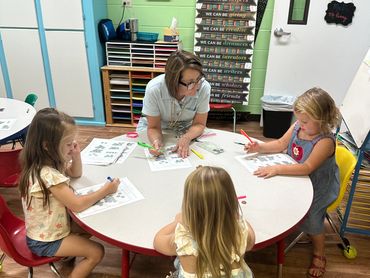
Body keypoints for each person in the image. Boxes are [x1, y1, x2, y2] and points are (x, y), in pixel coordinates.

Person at [245, 87, 340, 278]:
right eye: (300, 120)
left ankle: (319, 254)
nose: (300, 124)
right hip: (298, 176)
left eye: (305, 121)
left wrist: (277, 168)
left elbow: (307, 167)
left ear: (322, 119)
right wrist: (260, 147)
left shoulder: (325, 141)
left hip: (319, 185)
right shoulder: (298, 126)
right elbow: (281, 144)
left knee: (313, 218)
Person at [18, 108, 120, 278]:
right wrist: (106, 190)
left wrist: (76, 155)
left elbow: (75, 173)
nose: (72, 146)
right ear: (47, 146)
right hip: (45, 241)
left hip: (48, 229)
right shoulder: (47, 174)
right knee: (96, 252)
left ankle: (67, 255)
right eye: (68, 144)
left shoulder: (44, 162)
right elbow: (77, 204)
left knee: (91, 227)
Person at [153, 166, 255, 278]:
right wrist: (235, 217)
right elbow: (251, 240)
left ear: (189, 206)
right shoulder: (240, 233)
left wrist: (178, 221)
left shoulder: (183, 239)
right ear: (231, 203)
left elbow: (158, 240)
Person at [137, 50, 211, 158]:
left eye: (198, 79)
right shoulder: (154, 89)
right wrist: (156, 141)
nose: (196, 86)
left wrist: (187, 137)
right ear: (174, 82)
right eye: (190, 83)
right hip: (158, 127)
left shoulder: (204, 87)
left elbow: (199, 124)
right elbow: (153, 127)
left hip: (187, 128)